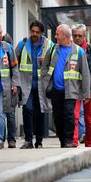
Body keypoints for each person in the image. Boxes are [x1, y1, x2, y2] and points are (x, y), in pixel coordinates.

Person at [41, 24, 91, 148]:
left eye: (57, 34)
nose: (55, 36)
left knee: (69, 115)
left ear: (64, 36)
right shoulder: (53, 50)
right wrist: (46, 84)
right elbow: (44, 67)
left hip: (71, 91)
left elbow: (85, 74)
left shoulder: (79, 51)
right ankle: (63, 140)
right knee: (57, 117)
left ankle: (69, 140)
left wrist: (86, 94)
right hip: (55, 90)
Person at [16, 21, 54, 149]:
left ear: (42, 33)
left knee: (40, 112)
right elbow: (14, 63)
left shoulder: (49, 45)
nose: (34, 34)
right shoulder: (23, 44)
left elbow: (56, 63)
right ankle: (28, 140)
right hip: (26, 85)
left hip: (42, 86)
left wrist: (46, 61)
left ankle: (39, 141)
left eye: (37, 32)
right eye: (33, 31)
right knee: (27, 111)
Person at [71, 24, 91, 147]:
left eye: (80, 35)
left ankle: (89, 143)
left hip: (90, 89)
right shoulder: (70, 50)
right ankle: (74, 142)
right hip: (75, 89)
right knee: (75, 116)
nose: (77, 38)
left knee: (89, 118)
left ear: (85, 36)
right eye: (75, 35)